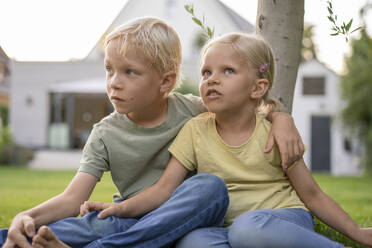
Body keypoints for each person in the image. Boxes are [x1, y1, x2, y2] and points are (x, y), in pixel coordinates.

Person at [0, 18, 304, 248]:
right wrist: (26, 216)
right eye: (109, 69)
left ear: (165, 81)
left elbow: (245, 109)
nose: (114, 82)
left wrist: (281, 118)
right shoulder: (105, 133)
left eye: (129, 72)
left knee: (210, 187)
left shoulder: (197, 111)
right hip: (128, 220)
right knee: (85, 227)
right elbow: (71, 199)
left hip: (184, 221)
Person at [56, 33, 372, 248]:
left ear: (258, 88)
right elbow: (164, 190)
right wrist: (122, 209)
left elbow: (312, 194)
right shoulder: (195, 129)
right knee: (193, 242)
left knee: (249, 230)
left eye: (228, 71)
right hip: (226, 229)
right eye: (207, 72)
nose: (212, 80)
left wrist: (356, 233)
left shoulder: (273, 133)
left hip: (279, 218)